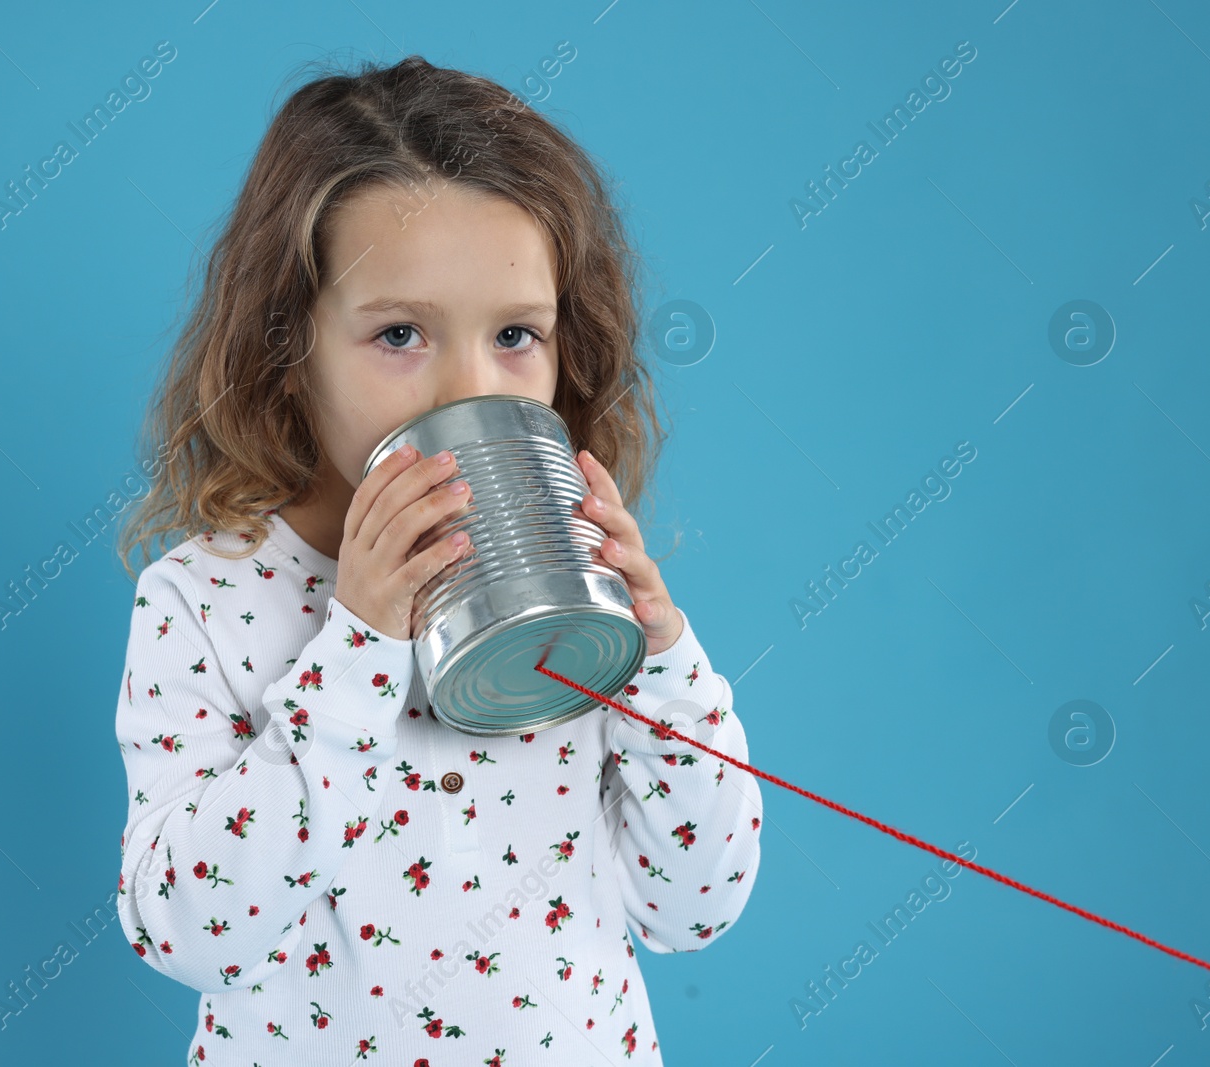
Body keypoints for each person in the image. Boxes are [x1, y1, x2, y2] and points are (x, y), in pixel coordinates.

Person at [111, 53, 763, 1065]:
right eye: (401, 332)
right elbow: (188, 931)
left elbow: (694, 909)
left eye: (515, 334)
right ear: (290, 350)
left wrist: (665, 662)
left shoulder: (568, 591)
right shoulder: (206, 599)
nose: (469, 389)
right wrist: (358, 646)